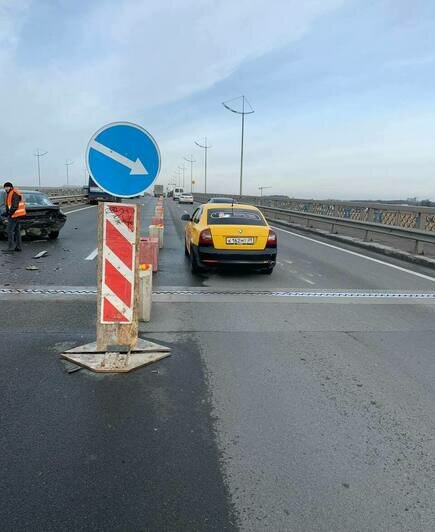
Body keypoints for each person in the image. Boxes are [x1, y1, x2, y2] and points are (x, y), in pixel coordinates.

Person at [2, 182, 26, 253]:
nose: (5, 188)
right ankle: (18, 247)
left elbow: (14, 206)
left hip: (14, 215)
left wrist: (8, 213)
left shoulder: (14, 193)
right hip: (16, 215)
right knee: (17, 231)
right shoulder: (13, 192)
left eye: (7, 187)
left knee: (10, 231)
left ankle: (10, 248)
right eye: (5, 187)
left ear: (10, 187)